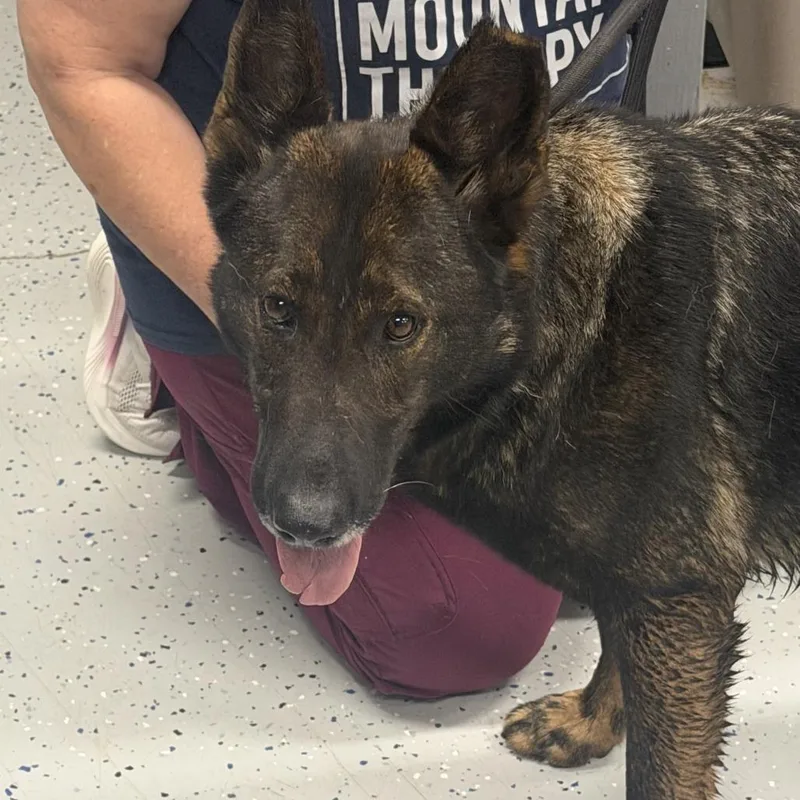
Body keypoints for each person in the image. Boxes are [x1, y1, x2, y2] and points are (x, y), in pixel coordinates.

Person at [18, 0, 629, 699]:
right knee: (457, 624)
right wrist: (254, 292)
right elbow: (82, 63)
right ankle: (178, 329)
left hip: (501, 270)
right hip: (250, 246)